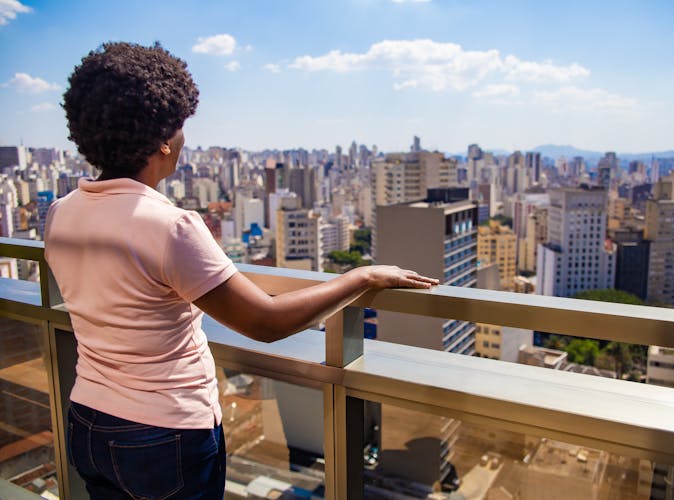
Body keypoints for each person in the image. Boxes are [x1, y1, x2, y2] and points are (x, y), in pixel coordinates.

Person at [45, 41, 438, 500]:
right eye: (182, 126)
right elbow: (264, 322)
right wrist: (362, 278)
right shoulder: (170, 226)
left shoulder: (60, 212)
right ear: (164, 140)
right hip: (163, 433)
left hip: (89, 420)